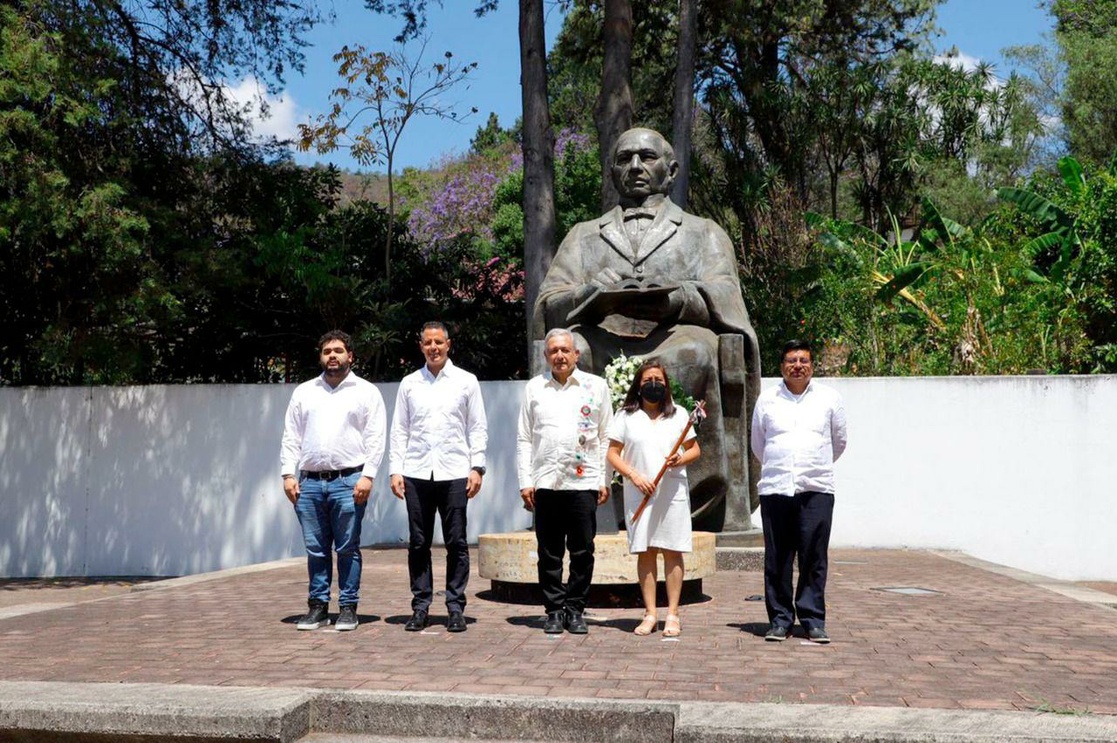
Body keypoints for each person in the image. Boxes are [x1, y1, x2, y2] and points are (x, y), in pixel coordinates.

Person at [532, 127, 761, 532]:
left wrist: (678, 298)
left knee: (697, 354)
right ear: (612, 171)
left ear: (671, 171)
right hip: (603, 337)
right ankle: (585, 495)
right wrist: (591, 292)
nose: (635, 166)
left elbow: (726, 293)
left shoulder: (703, 231)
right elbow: (550, 301)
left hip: (676, 335)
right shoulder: (584, 235)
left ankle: (691, 494)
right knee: (574, 353)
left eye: (647, 157)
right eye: (624, 158)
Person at [280, 330, 387, 631]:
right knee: (315, 549)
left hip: (348, 481)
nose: (332, 356)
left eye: (338, 350)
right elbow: (291, 437)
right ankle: (317, 607)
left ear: (350, 355)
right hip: (309, 483)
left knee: (347, 548)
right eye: (327, 351)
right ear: (321, 356)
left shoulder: (366, 392)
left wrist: (368, 476)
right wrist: (288, 474)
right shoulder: (304, 392)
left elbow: (376, 438)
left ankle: (348, 607)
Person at [389, 321, 487, 633]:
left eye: (439, 342)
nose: (433, 348)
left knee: (456, 542)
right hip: (417, 472)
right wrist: (395, 469)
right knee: (418, 542)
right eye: (428, 342)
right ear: (421, 346)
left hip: (455, 471)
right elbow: (400, 430)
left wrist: (477, 467)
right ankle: (420, 606)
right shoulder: (409, 384)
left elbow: (477, 427)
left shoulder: (466, 381)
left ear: (448, 345)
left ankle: (455, 606)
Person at [750, 339, 847, 644]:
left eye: (804, 360)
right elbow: (758, 444)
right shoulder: (767, 400)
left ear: (812, 366)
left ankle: (813, 619)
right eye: (791, 360)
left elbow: (839, 441)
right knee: (777, 558)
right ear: (781, 367)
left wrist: (811, 465)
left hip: (816, 488)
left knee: (813, 557)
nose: (798, 366)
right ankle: (780, 620)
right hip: (776, 488)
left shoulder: (829, 399)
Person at [517, 327, 613, 634]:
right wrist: (525, 481)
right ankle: (554, 611)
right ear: (546, 356)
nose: (559, 355)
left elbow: (606, 435)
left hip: (583, 482)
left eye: (565, 350)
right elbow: (524, 439)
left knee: (583, 551)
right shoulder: (534, 388)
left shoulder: (595, 387)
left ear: (576, 355)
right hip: (545, 482)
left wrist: (604, 479)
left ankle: (575, 609)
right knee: (549, 552)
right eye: (553, 351)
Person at [606, 361, 701, 638]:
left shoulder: (680, 414)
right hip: (640, 491)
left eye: (659, 379)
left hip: (672, 492)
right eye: (648, 379)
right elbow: (612, 454)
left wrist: (680, 458)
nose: (654, 384)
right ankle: (650, 613)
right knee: (645, 551)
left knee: (673, 550)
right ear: (638, 385)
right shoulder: (625, 416)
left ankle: (673, 614)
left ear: (666, 384)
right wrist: (634, 475)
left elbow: (694, 450)